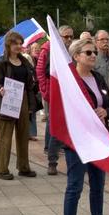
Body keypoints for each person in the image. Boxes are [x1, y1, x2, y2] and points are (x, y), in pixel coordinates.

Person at [60, 38, 109, 215]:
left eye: (94, 52)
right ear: (76, 56)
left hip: (99, 140)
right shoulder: (70, 81)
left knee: (98, 185)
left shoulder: (98, 77)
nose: (93, 55)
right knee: (74, 187)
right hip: (78, 141)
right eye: (88, 52)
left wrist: (106, 112)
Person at [0, 31, 38, 180]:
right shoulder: (2, 62)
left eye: (20, 43)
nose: (18, 46)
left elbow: (30, 84)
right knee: (5, 136)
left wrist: (31, 103)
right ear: (8, 44)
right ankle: (2, 169)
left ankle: (24, 167)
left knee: (23, 134)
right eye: (15, 43)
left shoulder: (25, 62)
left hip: (23, 98)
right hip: (8, 99)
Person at [38, 25, 73, 175]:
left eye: (71, 36)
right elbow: (43, 72)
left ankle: (75, 162)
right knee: (55, 127)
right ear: (59, 37)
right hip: (57, 94)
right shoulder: (51, 51)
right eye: (66, 37)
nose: (69, 39)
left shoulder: (72, 51)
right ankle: (52, 162)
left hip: (71, 94)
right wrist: (46, 92)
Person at [28, 42, 42, 141]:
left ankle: (32, 133)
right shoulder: (27, 59)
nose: (36, 50)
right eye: (34, 48)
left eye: (38, 48)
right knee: (29, 112)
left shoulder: (38, 60)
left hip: (36, 88)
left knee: (33, 110)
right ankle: (28, 133)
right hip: (30, 88)